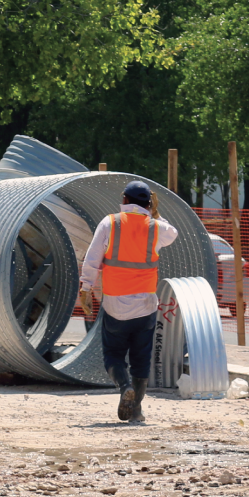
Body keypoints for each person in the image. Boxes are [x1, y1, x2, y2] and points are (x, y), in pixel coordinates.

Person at [79, 180, 178, 422]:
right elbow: (172, 232)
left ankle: (125, 388)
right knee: (141, 359)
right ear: (148, 203)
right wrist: (155, 212)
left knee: (113, 354)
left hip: (115, 303)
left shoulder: (110, 223)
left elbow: (92, 258)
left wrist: (85, 289)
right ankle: (136, 411)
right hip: (146, 303)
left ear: (124, 200)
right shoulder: (156, 228)